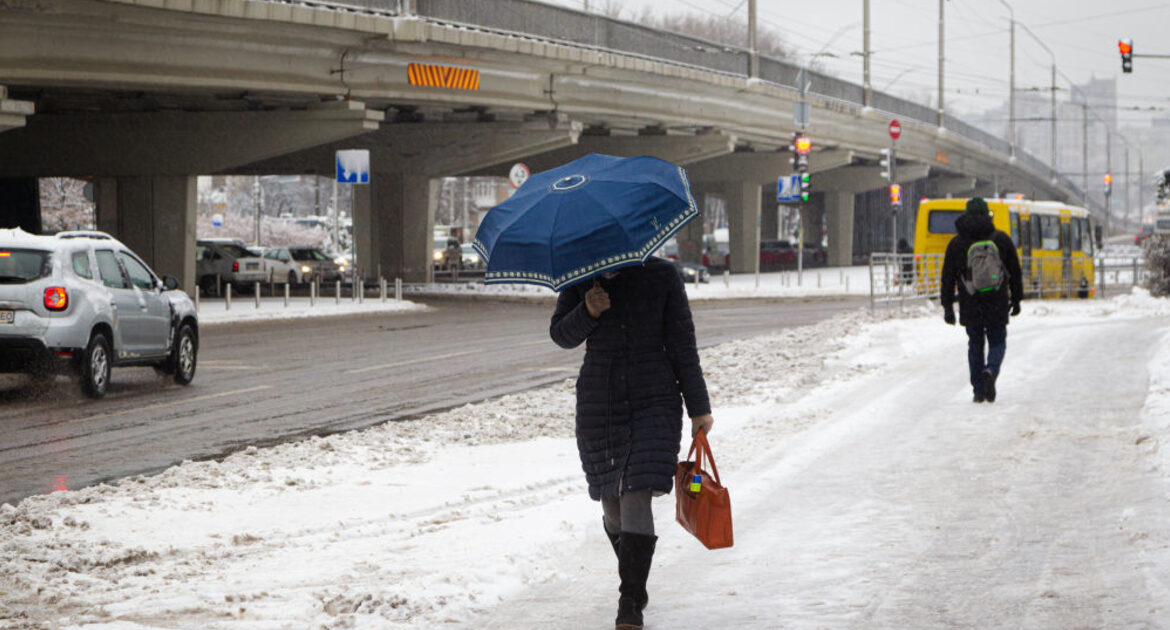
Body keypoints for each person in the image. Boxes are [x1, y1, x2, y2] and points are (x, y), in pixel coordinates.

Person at [550, 257, 714, 630]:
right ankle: (635, 582)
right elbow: (561, 335)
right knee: (611, 502)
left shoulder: (662, 275)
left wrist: (698, 408)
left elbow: (682, 344)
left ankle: (629, 602)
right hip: (600, 400)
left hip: (654, 396)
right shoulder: (580, 277)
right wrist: (587, 311)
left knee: (636, 491)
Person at [940, 197, 1023, 403]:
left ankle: (978, 390)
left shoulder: (957, 243)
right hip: (996, 300)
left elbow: (947, 277)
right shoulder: (1000, 239)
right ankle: (991, 371)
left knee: (975, 344)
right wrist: (1017, 298)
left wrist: (948, 306)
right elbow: (1015, 271)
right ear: (987, 215)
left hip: (970, 301)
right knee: (997, 341)